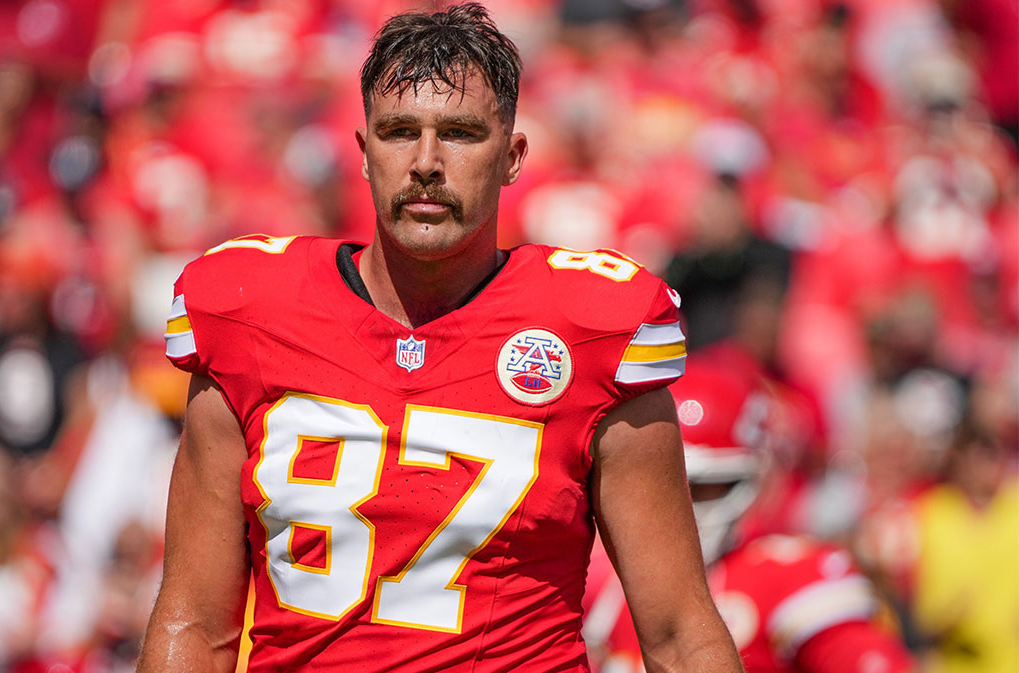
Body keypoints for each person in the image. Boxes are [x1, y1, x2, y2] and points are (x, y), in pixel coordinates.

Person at [138, 4, 742, 672]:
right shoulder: (249, 310)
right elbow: (195, 621)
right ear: (365, 154)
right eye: (400, 132)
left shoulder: (593, 329)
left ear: (512, 156)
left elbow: (679, 633)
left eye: (458, 133)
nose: (426, 162)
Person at [582, 357, 916, 673]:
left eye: (702, 486)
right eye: (662, 484)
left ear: (751, 478)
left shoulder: (790, 575)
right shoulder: (604, 586)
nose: (680, 503)